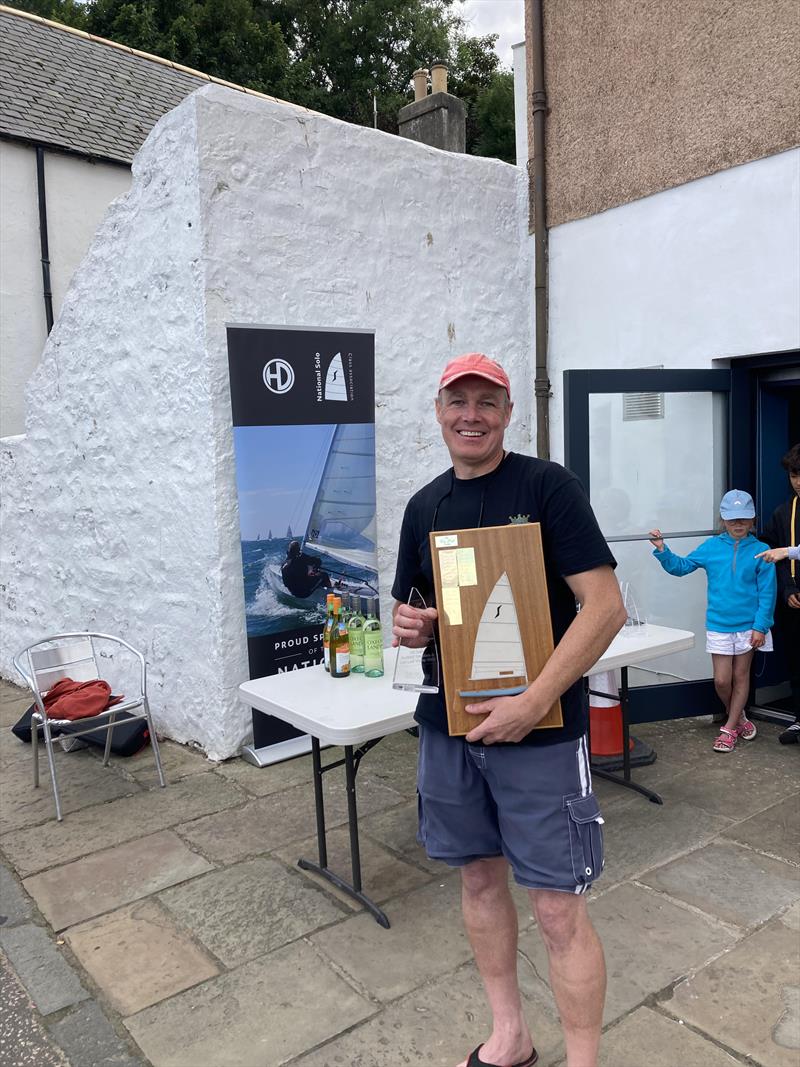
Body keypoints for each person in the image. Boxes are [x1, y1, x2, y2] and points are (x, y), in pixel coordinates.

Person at [391, 353, 625, 1067]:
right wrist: (413, 624)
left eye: (486, 402)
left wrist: (534, 699)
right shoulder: (423, 505)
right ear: (437, 412)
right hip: (450, 727)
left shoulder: (548, 486)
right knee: (479, 878)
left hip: (542, 732)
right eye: (457, 401)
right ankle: (510, 1035)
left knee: (557, 906)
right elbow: (419, 609)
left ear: (508, 412)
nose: (471, 414)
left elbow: (605, 607)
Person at [649, 490, 776, 753]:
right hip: (719, 624)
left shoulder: (763, 551)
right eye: (732, 519)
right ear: (723, 520)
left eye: (743, 519)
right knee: (721, 680)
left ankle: (728, 730)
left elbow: (767, 592)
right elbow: (681, 567)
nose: (738, 524)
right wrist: (663, 550)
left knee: (741, 677)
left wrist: (760, 626)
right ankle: (738, 716)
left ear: (753, 520)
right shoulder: (711, 547)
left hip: (748, 627)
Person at [760, 442, 800, 743]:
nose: (798, 481)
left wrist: (785, 551)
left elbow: (785, 551)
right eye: (794, 475)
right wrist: (787, 588)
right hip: (793, 601)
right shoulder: (783, 511)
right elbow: (772, 552)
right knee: (796, 660)